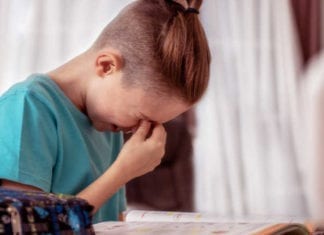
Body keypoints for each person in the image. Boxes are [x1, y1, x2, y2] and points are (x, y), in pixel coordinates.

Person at [0, 0, 210, 223]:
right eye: (141, 117)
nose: (139, 129)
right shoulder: (28, 108)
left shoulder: (107, 123)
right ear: (106, 66)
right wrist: (121, 172)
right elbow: (26, 225)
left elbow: (113, 222)